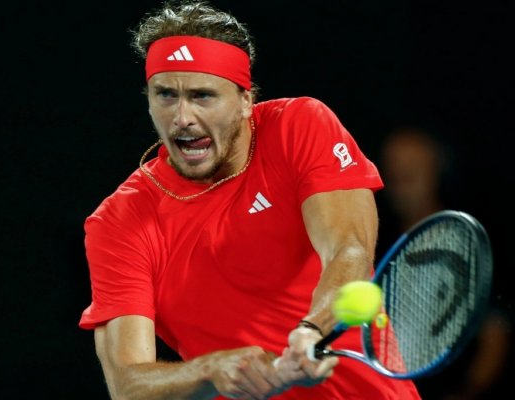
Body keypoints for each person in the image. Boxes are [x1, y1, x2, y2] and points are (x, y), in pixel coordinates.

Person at [78, 1, 422, 399]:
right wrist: (211, 369)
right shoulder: (119, 221)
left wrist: (311, 330)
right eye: (165, 94)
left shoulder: (300, 126)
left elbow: (349, 250)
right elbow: (128, 385)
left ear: (245, 99)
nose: (181, 117)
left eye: (203, 95)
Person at [376, 126, 513, 400]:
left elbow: (495, 330)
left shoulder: (474, 240)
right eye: (394, 169)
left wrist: (468, 391)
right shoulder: (374, 243)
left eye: (411, 168)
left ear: (437, 170)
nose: (400, 177)